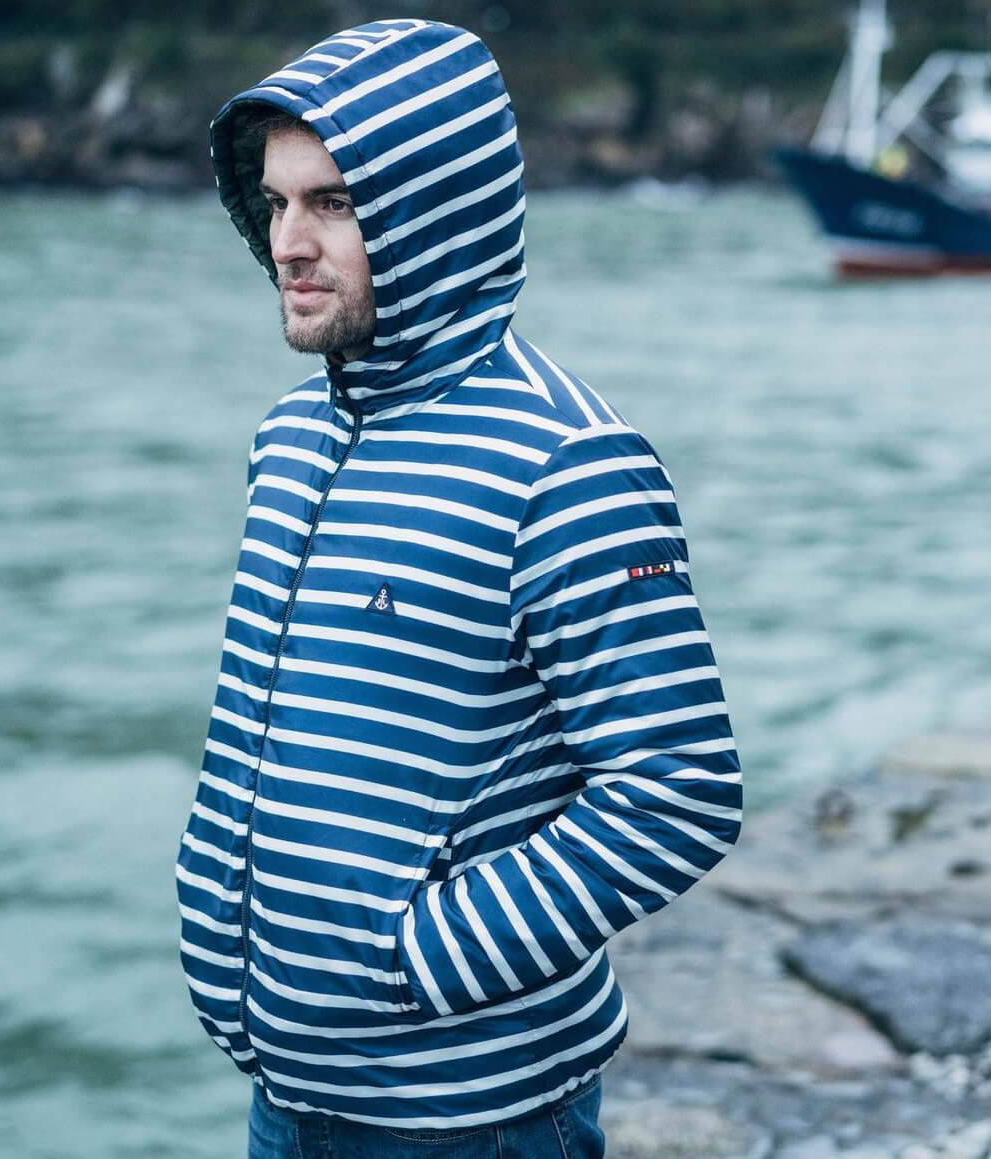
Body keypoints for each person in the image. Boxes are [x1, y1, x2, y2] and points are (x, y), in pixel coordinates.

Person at [175, 18, 742, 1158]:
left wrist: (412, 960)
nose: (289, 242)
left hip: (470, 1119)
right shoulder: (288, 439)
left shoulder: (566, 464)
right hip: (285, 1087)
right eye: (276, 202)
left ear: (432, 211)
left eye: (333, 203)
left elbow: (679, 790)